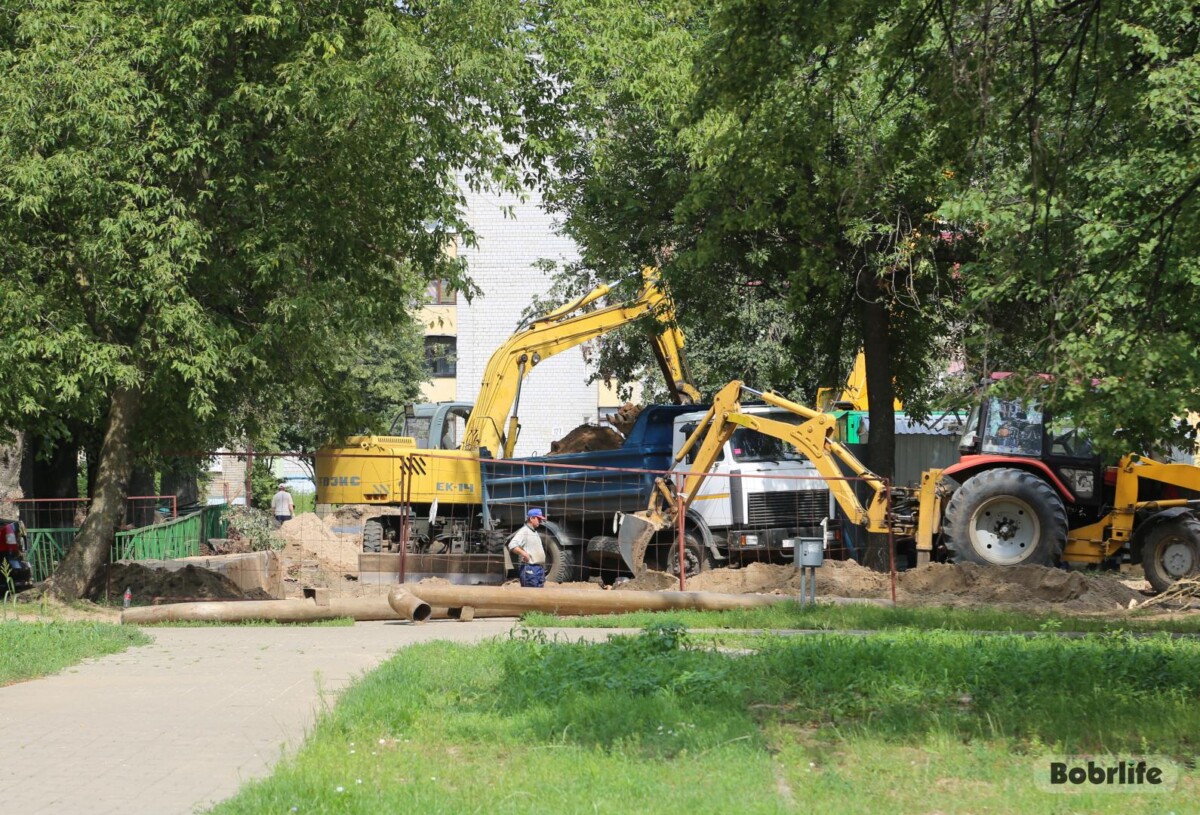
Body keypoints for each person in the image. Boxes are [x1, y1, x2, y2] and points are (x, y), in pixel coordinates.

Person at [508, 508, 548, 588]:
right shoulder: (524, 531)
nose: (540, 521)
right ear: (531, 518)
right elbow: (512, 545)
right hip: (530, 569)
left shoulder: (534, 532)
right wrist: (524, 553)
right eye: (538, 519)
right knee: (531, 593)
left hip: (539, 569)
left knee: (539, 593)